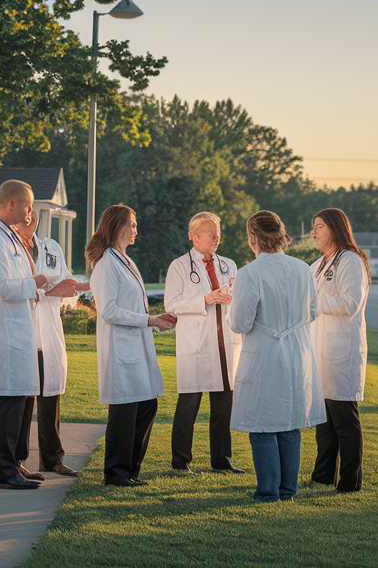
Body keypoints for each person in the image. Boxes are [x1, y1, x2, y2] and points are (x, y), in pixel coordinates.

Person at [0, 180, 74, 490]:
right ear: (12, 204)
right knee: (7, 400)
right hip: (6, 334)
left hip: (16, 332)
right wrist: (36, 282)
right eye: (28, 206)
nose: (31, 213)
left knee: (16, 398)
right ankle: (3, 472)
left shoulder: (10, 239)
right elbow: (4, 288)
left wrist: (33, 283)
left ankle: (9, 464)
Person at [229, 210, 327, 502]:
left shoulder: (249, 273)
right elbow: (313, 312)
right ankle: (288, 489)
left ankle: (268, 491)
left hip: (264, 354)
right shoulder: (303, 269)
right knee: (288, 422)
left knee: (262, 424)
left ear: (253, 237)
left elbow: (240, 323)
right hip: (297, 353)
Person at [88, 204, 177, 487]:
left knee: (147, 405)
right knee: (125, 410)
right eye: (133, 225)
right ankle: (115, 473)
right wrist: (149, 320)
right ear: (118, 227)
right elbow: (109, 311)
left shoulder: (126, 260)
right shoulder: (105, 264)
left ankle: (130, 470)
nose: (136, 230)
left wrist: (154, 319)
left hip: (137, 345)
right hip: (121, 347)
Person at [164, 211, 245, 474]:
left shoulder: (229, 265)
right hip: (197, 343)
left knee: (223, 403)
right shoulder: (179, 266)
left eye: (218, 232)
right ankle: (180, 460)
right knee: (189, 403)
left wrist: (230, 298)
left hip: (225, 341)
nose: (217, 237)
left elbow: (236, 295)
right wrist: (206, 300)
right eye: (212, 232)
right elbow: (172, 305)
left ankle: (221, 459)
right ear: (194, 236)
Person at [12, 215, 88, 478]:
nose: (29, 220)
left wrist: (71, 288)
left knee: (50, 398)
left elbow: (65, 282)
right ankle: (17, 459)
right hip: (25, 331)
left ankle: (52, 458)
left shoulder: (51, 247)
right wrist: (49, 291)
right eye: (24, 216)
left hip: (50, 332)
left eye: (33, 216)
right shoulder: (11, 249)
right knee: (24, 400)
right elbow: (22, 289)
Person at [309, 208, 370, 493]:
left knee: (345, 421)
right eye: (314, 227)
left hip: (341, 352)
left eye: (319, 226)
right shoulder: (318, 264)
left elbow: (349, 304)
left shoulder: (351, 260)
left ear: (334, 228)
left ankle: (349, 481)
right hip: (319, 352)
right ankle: (322, 476)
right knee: (324, 422)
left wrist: (313, 301)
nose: (314, 232)